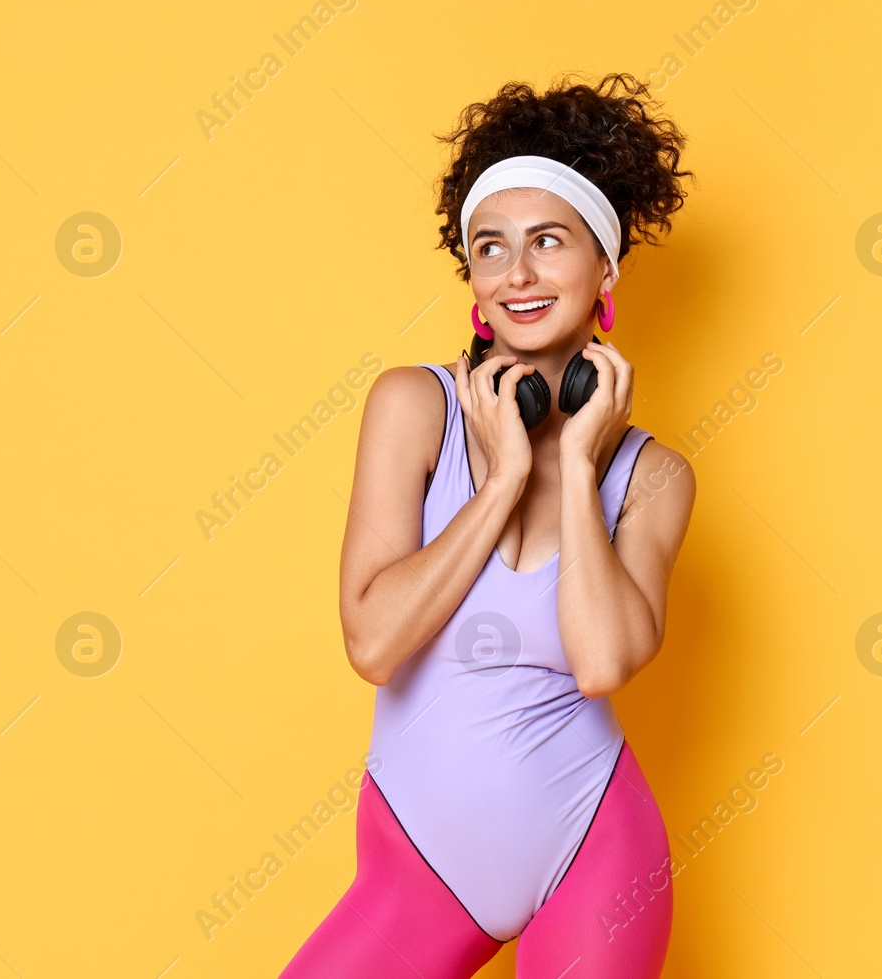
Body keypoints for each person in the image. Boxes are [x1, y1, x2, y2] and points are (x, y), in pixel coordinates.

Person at [280, 73, 697, 978]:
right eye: (492, 247)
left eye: (549, 242)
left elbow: (602, 660)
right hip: (419, 862)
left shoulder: (652, 476)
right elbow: (375, 642)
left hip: (595, 852)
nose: (518, 274)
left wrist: (579, 467)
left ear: (606, 268)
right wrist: (503, 478)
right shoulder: (412, 406)